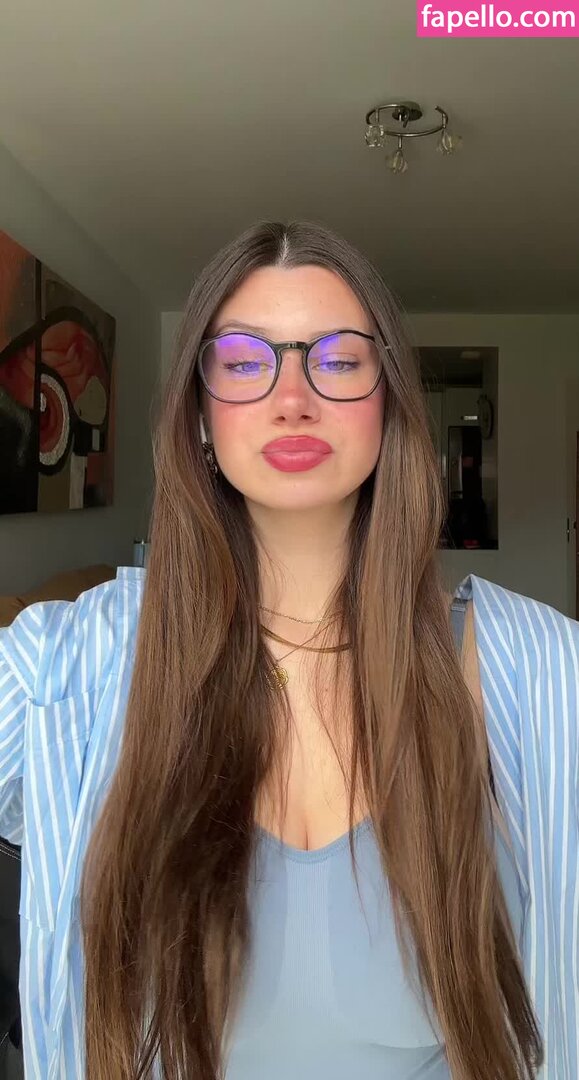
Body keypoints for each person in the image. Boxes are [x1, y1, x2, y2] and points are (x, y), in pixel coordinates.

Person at [0, 220, 577, 1080]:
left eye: (338, 360)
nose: (292, 396)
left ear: (390, 402)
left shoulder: (539, 670)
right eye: (242, 362)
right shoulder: (65, 664)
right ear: (199, 415)